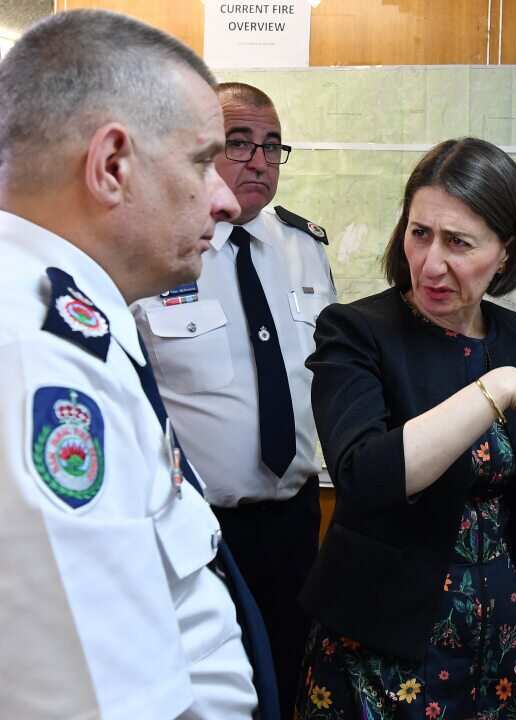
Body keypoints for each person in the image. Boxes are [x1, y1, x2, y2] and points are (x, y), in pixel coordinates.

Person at [0, 10, 280, 719]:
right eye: (200, 161)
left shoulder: (66, 317)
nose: (223, 197)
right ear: (112, 166)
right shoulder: (37, 358)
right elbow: (93, 700)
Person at [295, 137, 516, 719]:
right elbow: (368, 477)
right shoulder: (356, 332)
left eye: (459, 243)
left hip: (504, 642)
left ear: (504, 252)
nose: (432, 263)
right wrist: (499, 389)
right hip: (384, 648)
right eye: (420, 234)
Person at [132, 81, 334, 717]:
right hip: (198, 529)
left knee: (291, 680)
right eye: (239, 143)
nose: (258, 160)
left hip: (297, 522)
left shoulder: (306, 250)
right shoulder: (161, 253)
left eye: (272, 147)